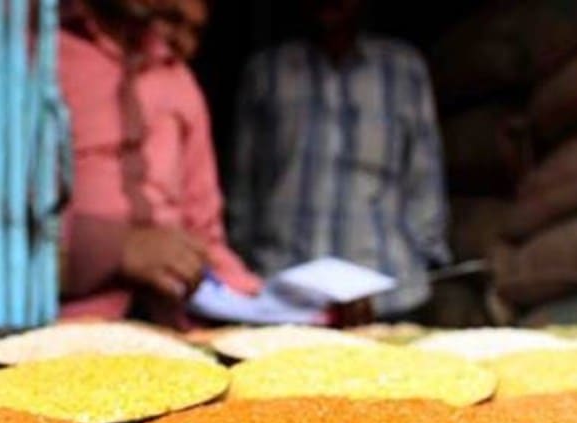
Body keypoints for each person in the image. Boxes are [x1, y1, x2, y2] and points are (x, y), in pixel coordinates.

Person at [227, 0, 450, 321]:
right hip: (283, 293)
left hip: (387, 294)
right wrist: (245, 271)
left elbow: (425, 177)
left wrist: (421, 258)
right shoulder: (266, 73)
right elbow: (243, 187)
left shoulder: (403, 70)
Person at [57, 0, 261, 329]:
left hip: (172, 327)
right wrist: (116, 249)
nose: (183, 40)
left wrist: (284, 306)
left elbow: (205, 236)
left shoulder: (178, 81)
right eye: (171, 19)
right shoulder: (34, 57)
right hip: (59, 333)